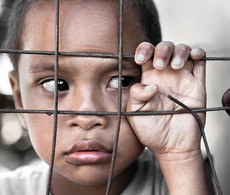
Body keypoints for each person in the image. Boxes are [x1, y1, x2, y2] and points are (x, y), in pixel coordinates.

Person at [0, 0, 208, 194]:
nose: (87, 116)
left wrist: (179, 157)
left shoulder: (183, 175)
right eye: (56, 85)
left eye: (120, 81)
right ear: (19, 100)